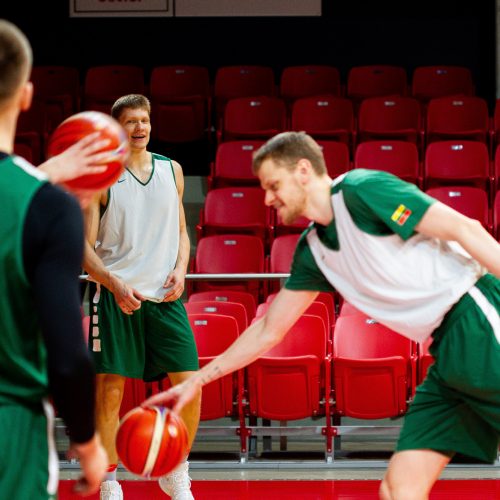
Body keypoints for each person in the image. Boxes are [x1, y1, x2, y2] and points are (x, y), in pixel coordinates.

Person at [144, 131, 500, 500]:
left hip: (476, 317)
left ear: (302, 170)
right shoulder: (313, 252)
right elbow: (268, 329)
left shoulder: (362, 191)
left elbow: (465, 228)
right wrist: (196, 381)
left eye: (273, 185)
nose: (267, 199)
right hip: (446, 350)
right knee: (398, 489)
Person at [0, 19, 108, 499]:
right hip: (11, 431)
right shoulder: (46, 207)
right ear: (25, 95)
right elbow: (67, 354)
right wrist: (87, 445)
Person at [83, 94, 201, 500]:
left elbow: (182, 229)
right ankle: (109, 481)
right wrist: (114, 284)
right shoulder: (100, 176)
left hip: (165, 299)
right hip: (116, 297)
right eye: (130, 121)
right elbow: (83, 249)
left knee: (190, 385)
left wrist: (182, 268)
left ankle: (176, 470)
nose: (139, 128)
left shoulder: (173, 170)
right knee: (110, 391)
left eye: (144, 120)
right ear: (117, 128)